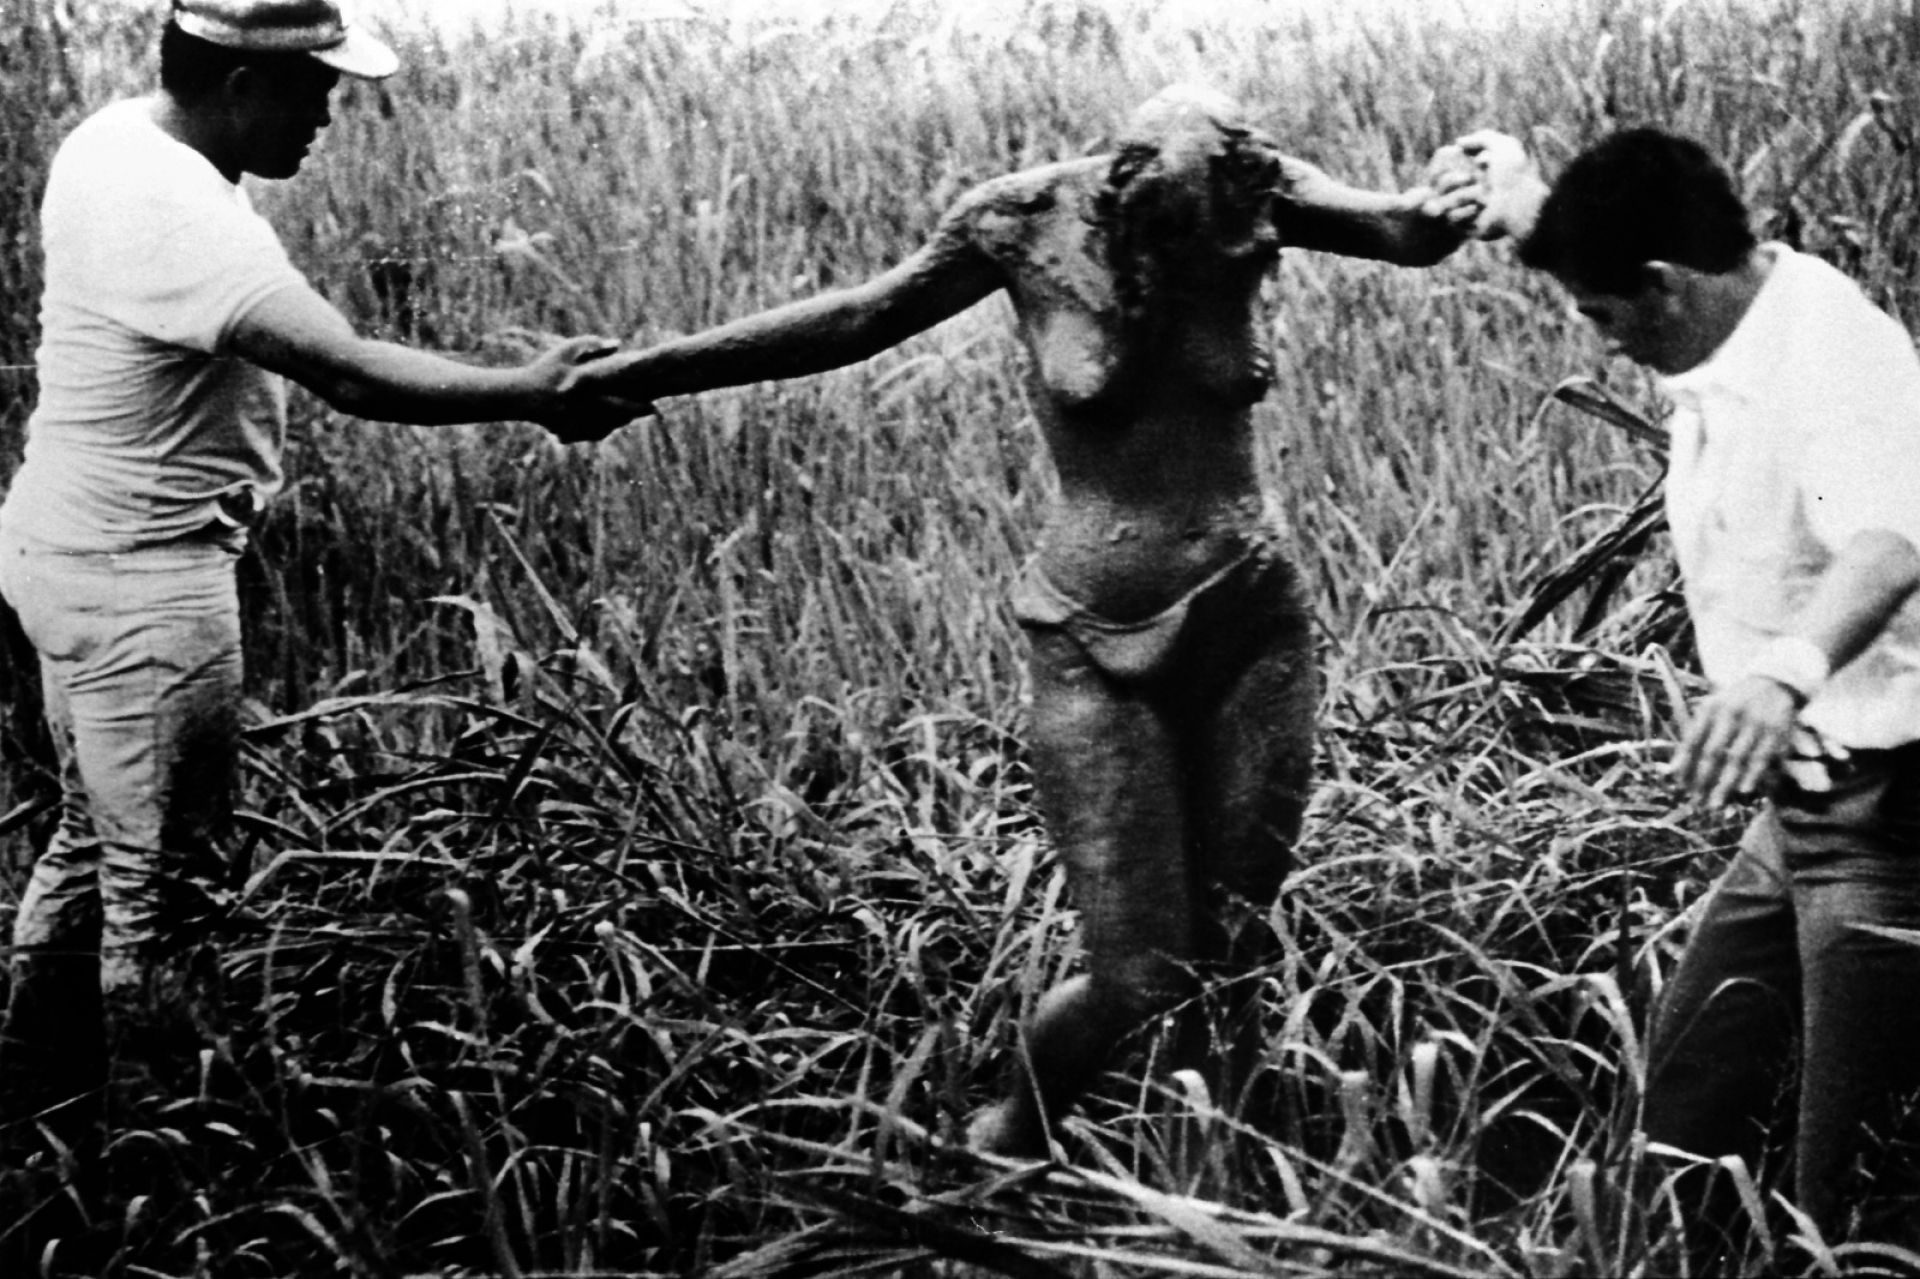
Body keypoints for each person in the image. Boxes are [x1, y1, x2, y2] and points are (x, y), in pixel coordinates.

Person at [591, 85, 1475, 1157]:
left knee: (1235, 951)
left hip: (1253, 617)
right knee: (1138, 975)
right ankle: (1007, 1140)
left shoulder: (1258, 195)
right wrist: (640, 372)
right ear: (1114, 194)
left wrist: (1465, 181)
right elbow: (857, 318)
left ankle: (1229, 1174)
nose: (1207, 257)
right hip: (1091, 637)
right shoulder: (1018, 222)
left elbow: (1409, 230)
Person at [0, 0, 650, 1134]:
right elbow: (348, 372)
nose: (329, 117)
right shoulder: (171, 206)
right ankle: (171, 1151)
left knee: (94, 838)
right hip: (142, 582)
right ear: (242, 86)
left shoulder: (116, 141)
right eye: (315, 90)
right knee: (166, 893)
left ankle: (34, 1098)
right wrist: (534, 391)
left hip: (67, 547)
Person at [1440, 127, 1920, 1251]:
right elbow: (1613, 242)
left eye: (1604, 315)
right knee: (1685, 1107)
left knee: (1851, 1193)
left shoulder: (1833, 363)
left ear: (1663, 286)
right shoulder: (1731, 308)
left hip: (1889, 816)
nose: (1603, 345)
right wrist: (1528, 205)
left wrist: (1782, 677)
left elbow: (1891, 539)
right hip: (1797, 811)